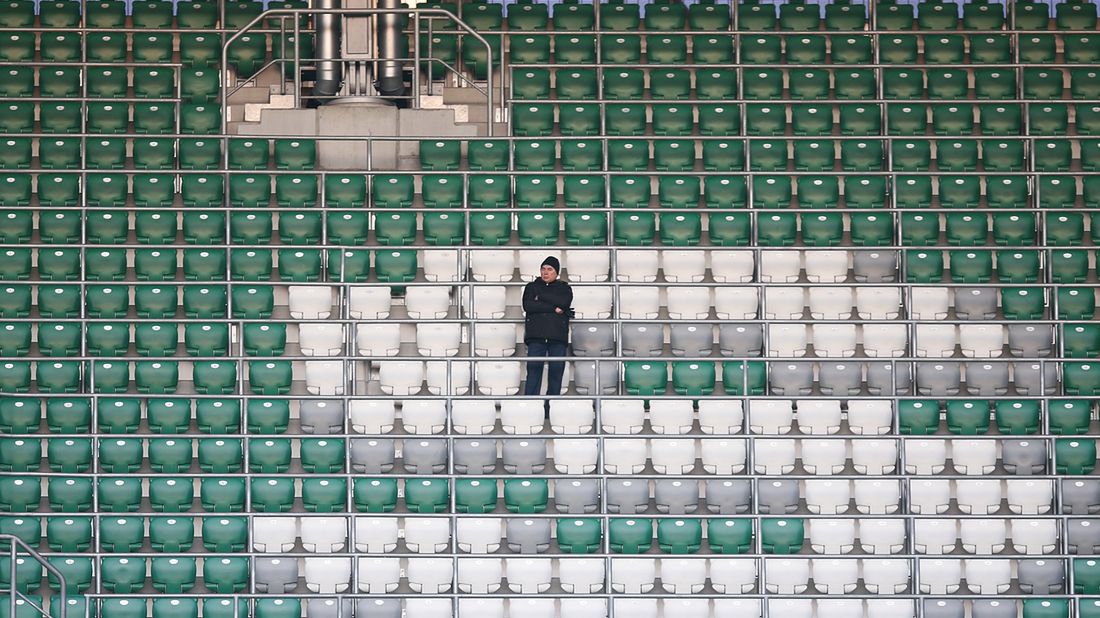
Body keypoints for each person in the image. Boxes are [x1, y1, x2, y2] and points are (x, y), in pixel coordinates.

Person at [522, 256, 573, 404]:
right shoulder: (531, 287)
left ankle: (551, 408)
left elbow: (563, 302)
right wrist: (552, 307)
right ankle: (531, 407)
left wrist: (540, 299)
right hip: (536, 337)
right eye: (543, 269)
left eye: (549, 269)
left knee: (556, 373)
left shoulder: (564, 288)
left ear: (556, 272)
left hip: (557, 337)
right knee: (533, 372)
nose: (545, 272)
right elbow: (528, 305)